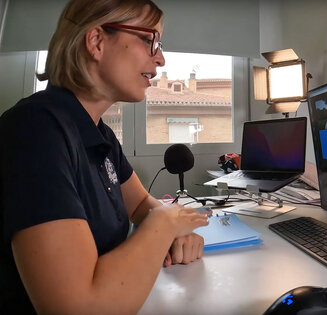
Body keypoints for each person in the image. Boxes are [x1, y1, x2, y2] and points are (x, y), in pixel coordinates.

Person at [0, 1, 210, 313]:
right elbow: (79, 307)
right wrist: (165, 225)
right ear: (96, 41)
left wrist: (168, 227)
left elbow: (139, 204)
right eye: (149, 40)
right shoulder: (36, 129)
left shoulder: (99, 134)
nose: (161, 59)